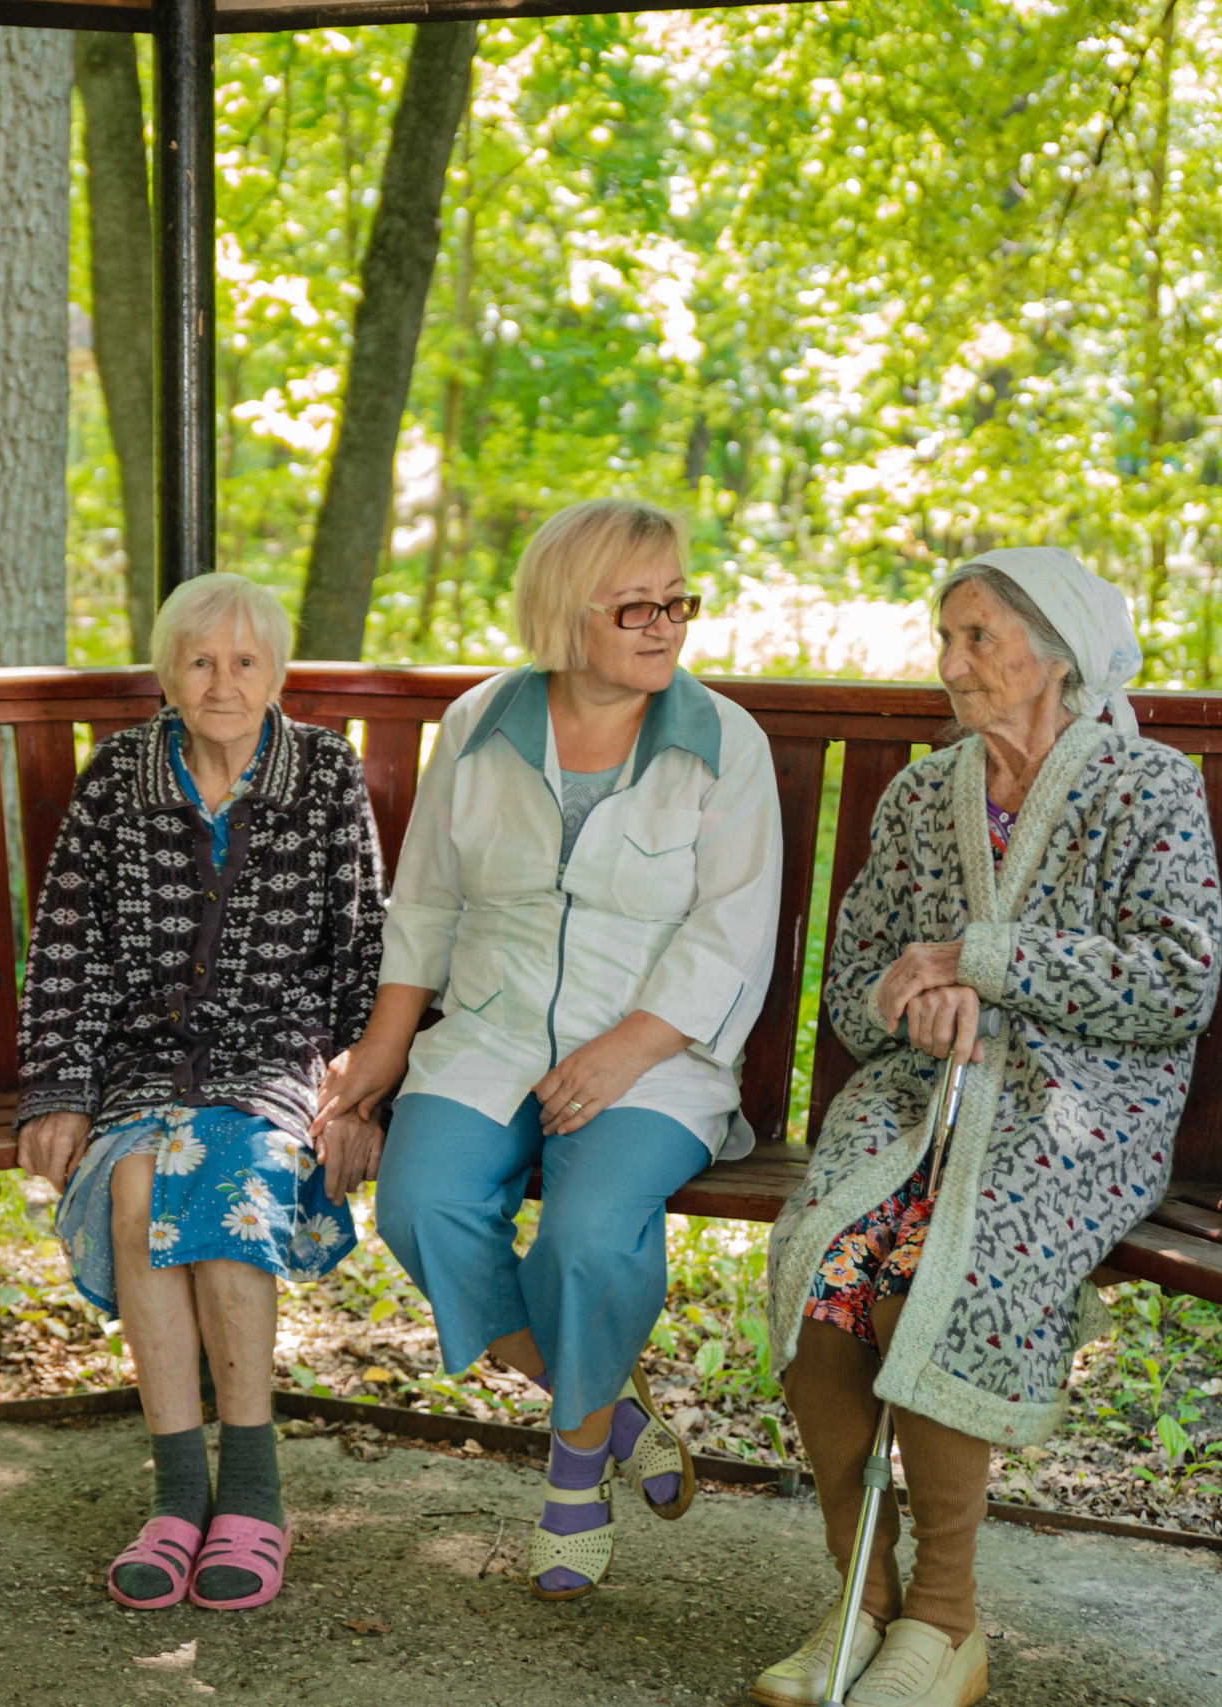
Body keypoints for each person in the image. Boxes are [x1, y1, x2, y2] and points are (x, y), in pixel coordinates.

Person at [745, 548, 1222, 1707]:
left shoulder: (1146, 786)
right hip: (919, 1096)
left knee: (940, 1277)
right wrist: (919, 992)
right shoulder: (922, 795)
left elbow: (1176, 981)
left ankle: (945, 1625)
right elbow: (860, 978)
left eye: (977, 638)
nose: (950, 662)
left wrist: (989, 960)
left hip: (1075, 1112)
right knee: (825, 1264)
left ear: (1056, 653)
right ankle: (859, 1600)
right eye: (946, 637)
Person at [316, 497, 783, 1601]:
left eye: (680, 602)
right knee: (421, 1205)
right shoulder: (480, 722)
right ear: (567, 615)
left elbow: (732, 929)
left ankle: (572, 1470)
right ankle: (608, 1413)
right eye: (639, 606)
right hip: (492, 1031)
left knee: (584, 1233)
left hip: (656, 1050)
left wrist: (627, 1051)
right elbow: (424, 907)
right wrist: (376, 1062)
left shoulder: (722, 743)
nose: (667, 625)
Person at [15, 571, 388, 1613]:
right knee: (136, 1182)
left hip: (273, 1057)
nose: (222, 682)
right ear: (167, 674)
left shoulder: (321, 773)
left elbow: (364, 942)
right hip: (142, 1060)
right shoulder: (118, 777)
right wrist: (57, 1086)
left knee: (222, 1179)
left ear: (276, 673)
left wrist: (361, 1095)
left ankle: (254, 1496)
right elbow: (66, 948)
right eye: (199, 661)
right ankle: (181, 1499)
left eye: (244, 661)